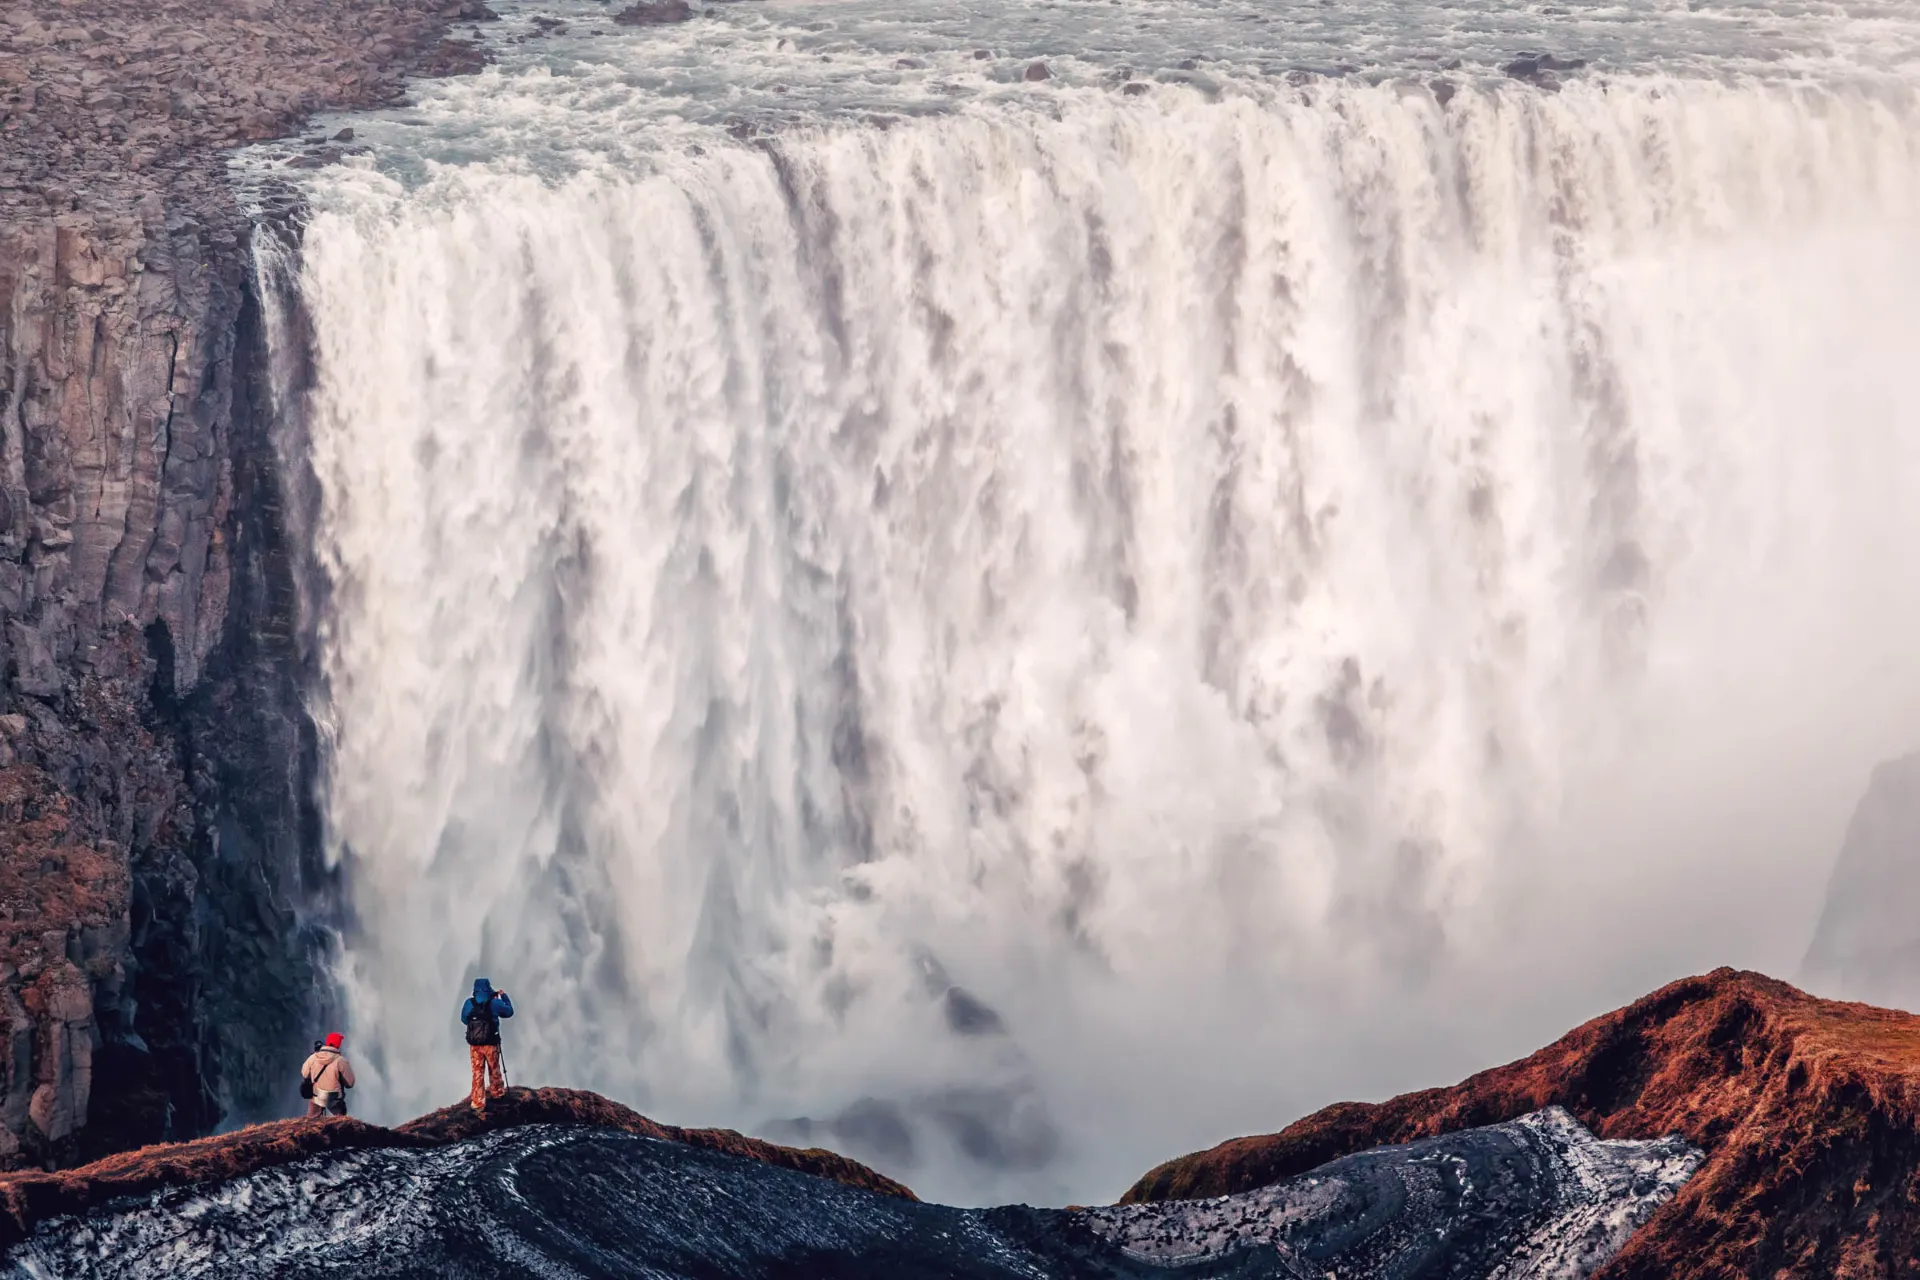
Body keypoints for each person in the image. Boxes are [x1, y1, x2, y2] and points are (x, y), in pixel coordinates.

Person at [460, 977, 514, 1112]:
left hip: (475, 1045)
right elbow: (509, 1012)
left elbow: (464, 1019)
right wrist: (503, 996)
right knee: (494, 1068)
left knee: (477, 1072)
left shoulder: (469, 1003)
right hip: (491, 1043)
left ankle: (478, 1103)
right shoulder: (494, 1002)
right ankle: (497, 1094)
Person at [301, 1032, 356, 1118]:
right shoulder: (341, 1061)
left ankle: (310, 1123)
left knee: (310, 1121)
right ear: (338, 1044)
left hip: (317, 1096)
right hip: (334, 1098)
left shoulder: (313, 1057)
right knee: (341, 1122)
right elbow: (350, 1083)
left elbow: (304, 1074)